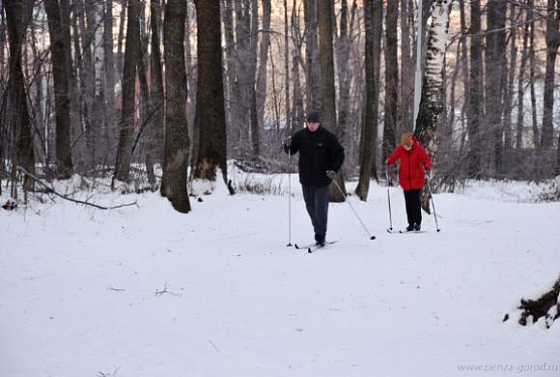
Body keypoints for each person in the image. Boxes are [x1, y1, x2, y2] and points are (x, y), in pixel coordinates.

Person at [283, 111, 345, 246]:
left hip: (323, 178)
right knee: (310, 206)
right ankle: (318, 229)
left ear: (319, 123)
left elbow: (339, 153)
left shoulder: (327, 136)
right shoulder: (300, 135)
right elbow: (290, 151)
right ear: (307, 123)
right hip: (306, 178)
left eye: (314, 123)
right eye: (309, 123)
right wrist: (287, 145)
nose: (312, 125)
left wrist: (334, 169)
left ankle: (320, 235)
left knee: (321, 207)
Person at [387, 132, 432, 232]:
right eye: (404, 145)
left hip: (417, 179)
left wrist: (427, 166)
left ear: (411, 142)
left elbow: (426, 159)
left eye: (408, 145)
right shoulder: (401, 149)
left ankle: (418, 223)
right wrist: (389, 161)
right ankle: (411, 224)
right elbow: (394, 156)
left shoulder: (418, 149)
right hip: (405, 180)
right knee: (408, 203)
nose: (406, 147)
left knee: (415, 202)